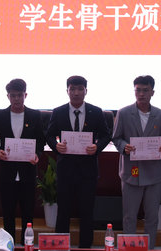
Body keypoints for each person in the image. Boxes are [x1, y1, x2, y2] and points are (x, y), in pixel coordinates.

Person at [45, 75, 111, 248]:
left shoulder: (96, 112)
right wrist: (56, 145)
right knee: (63, 211)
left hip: (88, 171)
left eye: (80, 89)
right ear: (67, 91)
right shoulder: (58, 112)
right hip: (65, 169)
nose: (76, 93)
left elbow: (106, 135)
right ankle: (60, 246)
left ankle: (85, 246)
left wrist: (97, 146)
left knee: (87, 211)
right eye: (72, 89)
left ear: (86, 91)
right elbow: (49, 135)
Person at [0, 79, 45, 244]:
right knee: (8, 212)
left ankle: (27, 244)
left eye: (20, 95)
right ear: (8, 96)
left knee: (28, 213)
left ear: (25, 95)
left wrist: (37, 154)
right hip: (8, 172)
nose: (17, 99)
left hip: (28, 171)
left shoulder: (35, 115)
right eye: (13, 95)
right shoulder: (0, 116)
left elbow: (41, 140)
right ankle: (9, 244)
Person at [112, 75, 161, 250]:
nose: (141, 94)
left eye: (145, 90)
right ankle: (129, 247)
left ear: (152, 92)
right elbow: (116, 138)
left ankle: (149, 247)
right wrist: (124, 147)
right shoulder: (124, 113)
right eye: (138, 90)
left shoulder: (160, 115)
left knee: (152, 217)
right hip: (132, 171)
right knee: (130, 216)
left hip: (153, 173)